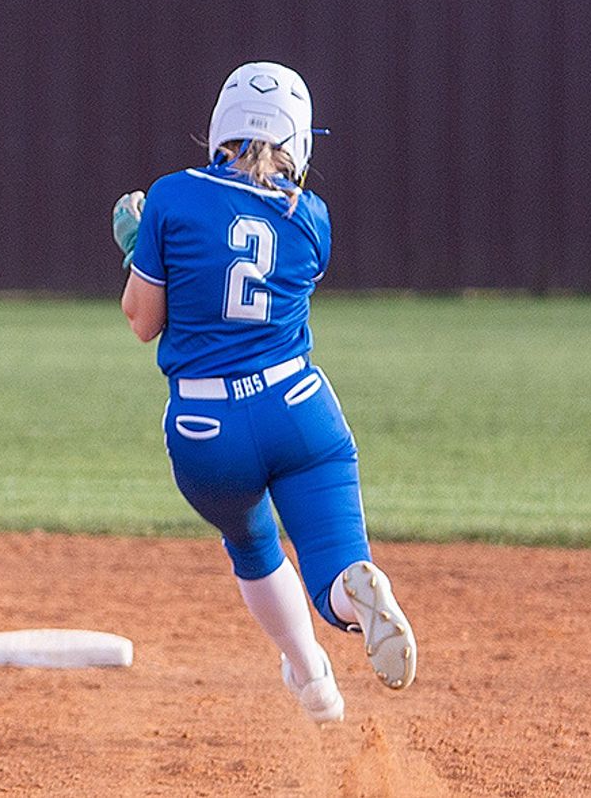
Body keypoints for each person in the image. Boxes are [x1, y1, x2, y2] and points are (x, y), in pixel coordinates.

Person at [111, 61, 416, 724]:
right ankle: (352, 590)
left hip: (207, 427)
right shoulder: (312, 220)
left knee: (253, 547)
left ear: (222, 125)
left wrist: (137, 247)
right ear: (297, 141)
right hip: (298, 409)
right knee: (333, 561)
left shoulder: (172, 196)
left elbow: (143, 321)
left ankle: (313, 680)